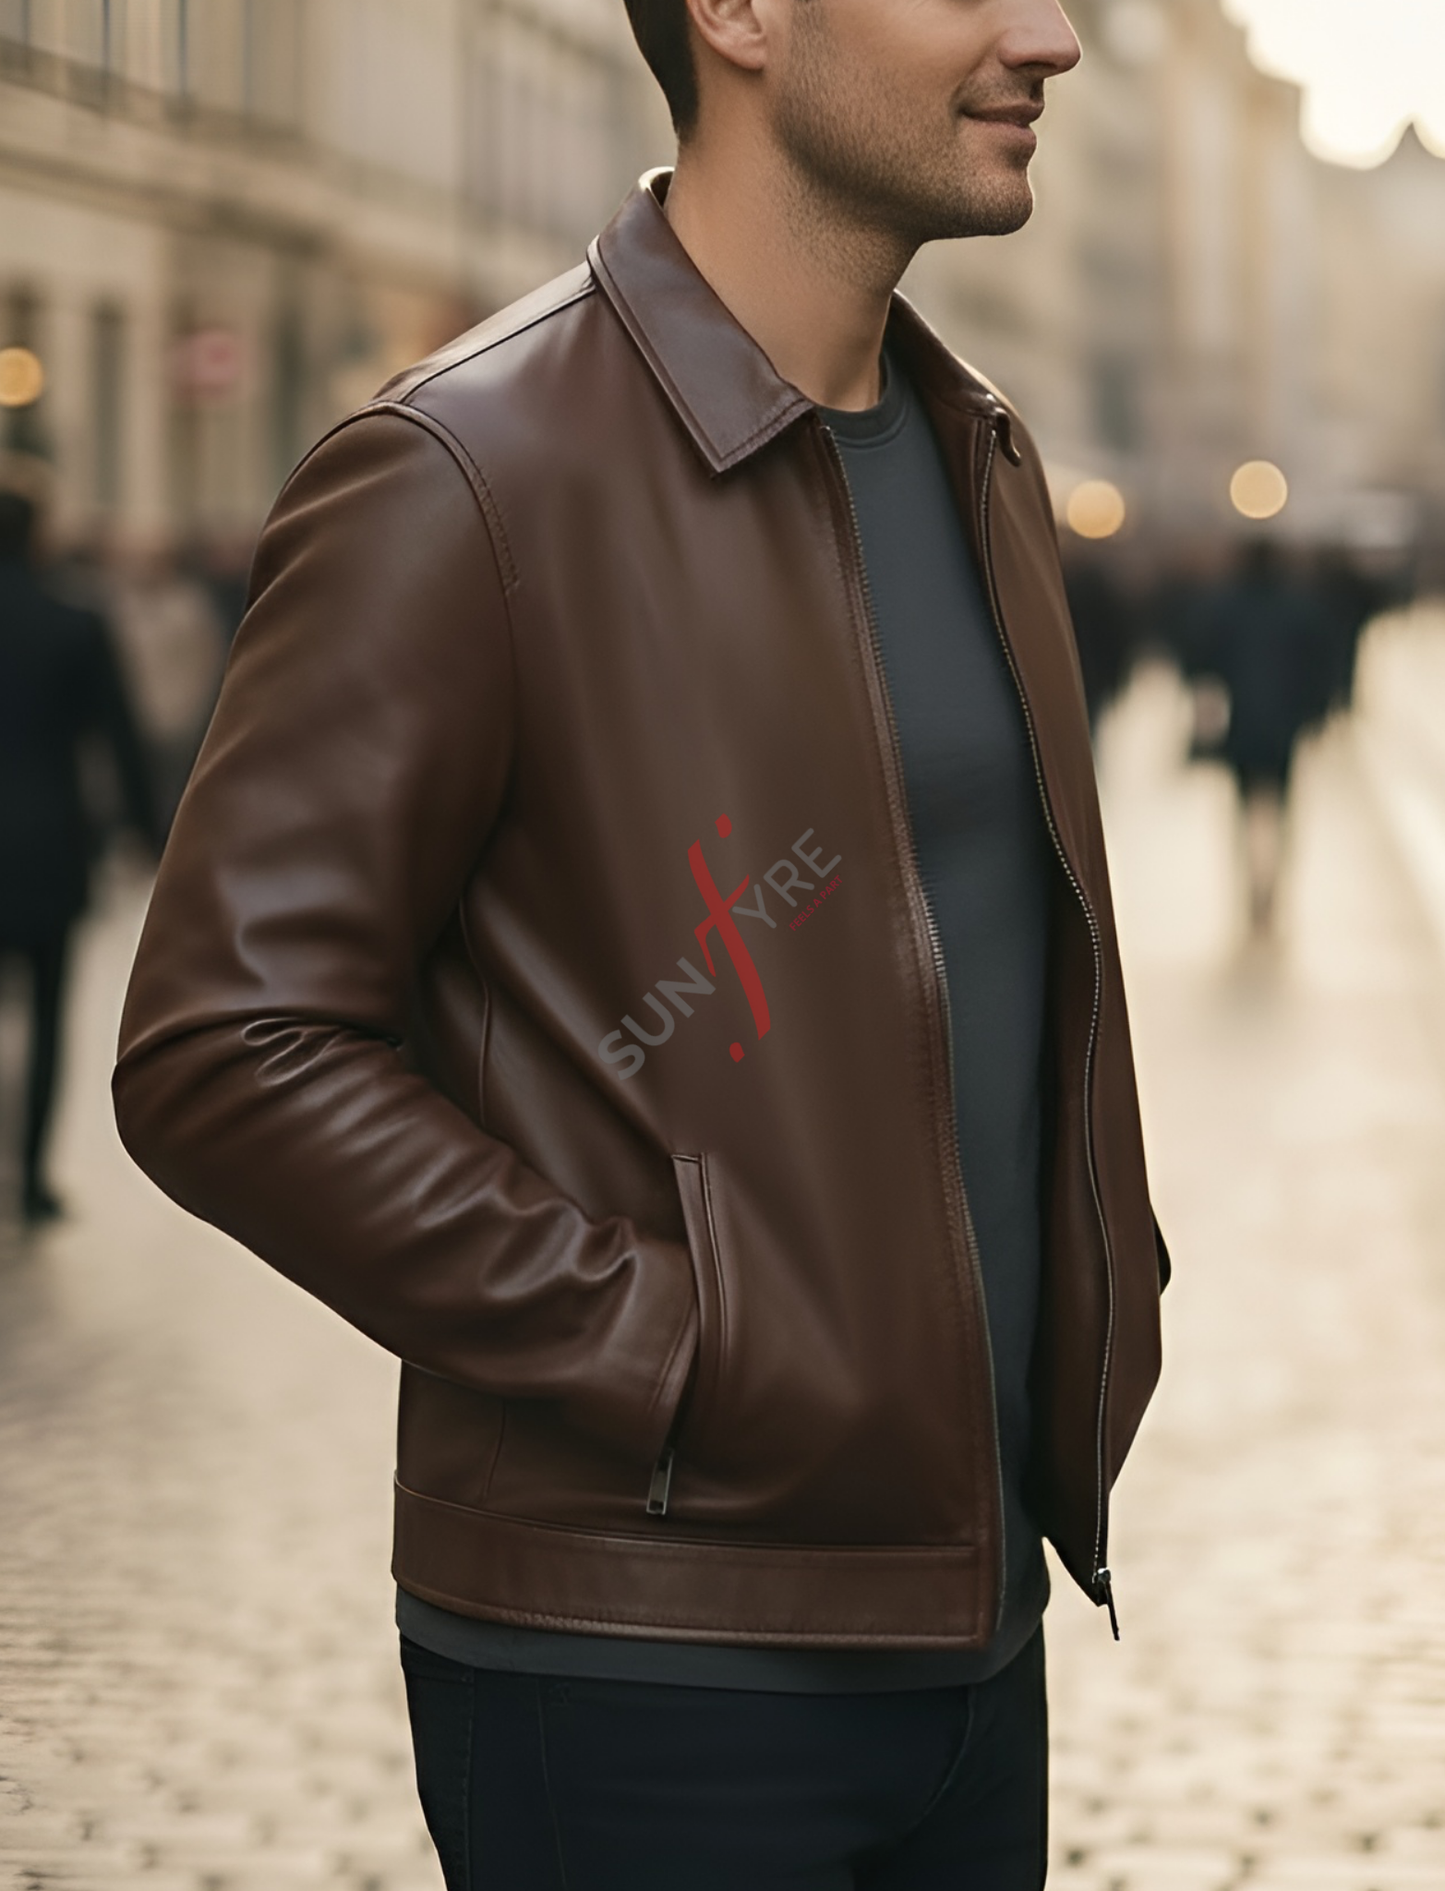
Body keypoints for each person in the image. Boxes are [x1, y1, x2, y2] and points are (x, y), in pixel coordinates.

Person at [114, 1, 1169, 1883]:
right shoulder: (466, 468)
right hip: (641, 1663)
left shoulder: (971, 451)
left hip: (971, 1621)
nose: (1052, 34)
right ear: (740, 14)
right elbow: (223, 1044)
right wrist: (672, 1346)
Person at [0, 491, 154, 1224]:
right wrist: (154, 836)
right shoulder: (74, 622)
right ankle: (30, 1175)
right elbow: (119, 736)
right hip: (47, 846)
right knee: (50, 1013)